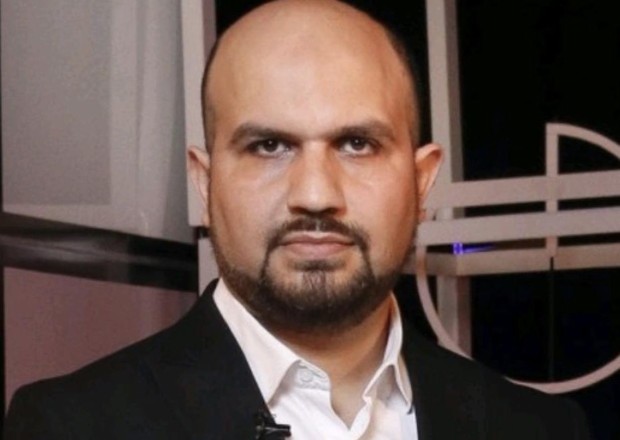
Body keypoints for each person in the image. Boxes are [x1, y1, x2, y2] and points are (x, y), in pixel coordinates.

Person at [4, 0, 591, 439]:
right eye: (269, 146)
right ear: (205, 183)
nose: (314, 195)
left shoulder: (542, 430)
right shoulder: (69, 426)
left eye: (357, 144)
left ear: (422, 182)